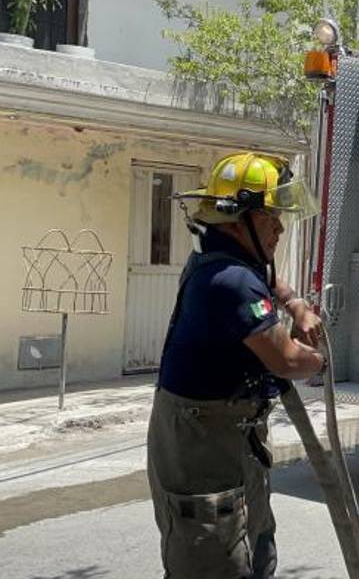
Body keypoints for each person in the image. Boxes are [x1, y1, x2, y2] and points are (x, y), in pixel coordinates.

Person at [147, 152, 325, 579]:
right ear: (236, 219)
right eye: (270, 217)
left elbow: (270, 279)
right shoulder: (231, 280)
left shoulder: (231, 259)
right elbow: (286, 360)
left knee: (253, 546)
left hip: (230, 434)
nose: (280, 228)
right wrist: (322, 362)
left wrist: (296, 305)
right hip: (201, 442)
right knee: (212, 561)